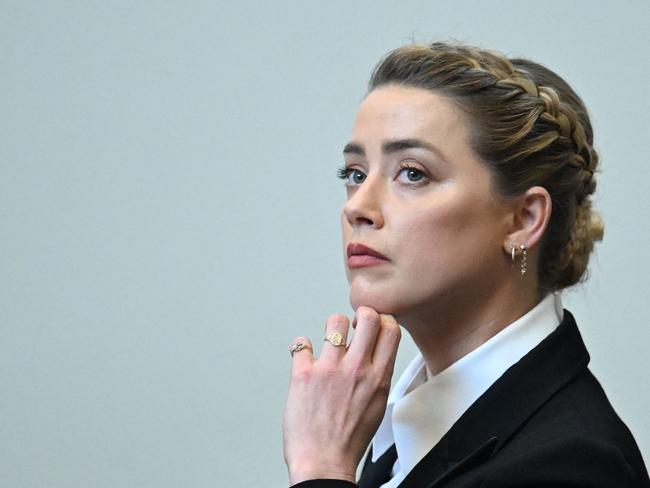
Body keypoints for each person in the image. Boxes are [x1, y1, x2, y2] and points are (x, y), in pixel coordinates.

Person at [282, 41, 650, 488]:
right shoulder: (401, 426)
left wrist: (322, 470)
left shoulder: (571, 465)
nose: (358, 206)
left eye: (413, 173)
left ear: (523, 219)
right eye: (355, 174)